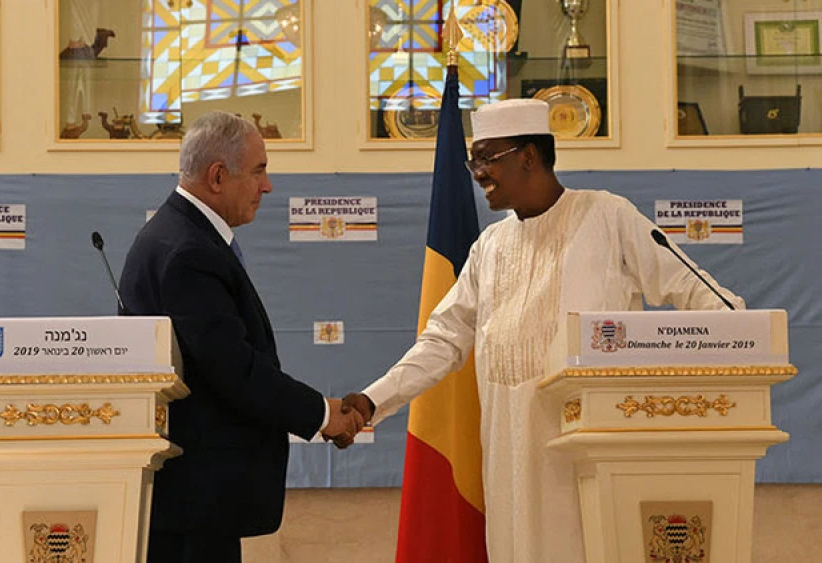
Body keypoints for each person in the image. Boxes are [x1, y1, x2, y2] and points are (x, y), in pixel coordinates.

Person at [339, 98, 744, 562]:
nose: (478, 172)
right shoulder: (489, 246)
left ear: (528, 155)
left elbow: (694, 290)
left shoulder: (607, 216)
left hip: (585, 456)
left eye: (487, 158)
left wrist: (743, 334)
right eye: (473, 161)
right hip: (507, 458)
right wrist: (373, 401)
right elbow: (442, 340)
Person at [119, 110, 364, 563]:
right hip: (195, 497)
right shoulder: (188, 251)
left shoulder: (179, 236)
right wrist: (321, 414)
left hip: (192, 497)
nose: (267, 186)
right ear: (217, 176)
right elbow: (233, 370)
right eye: (258, 171)